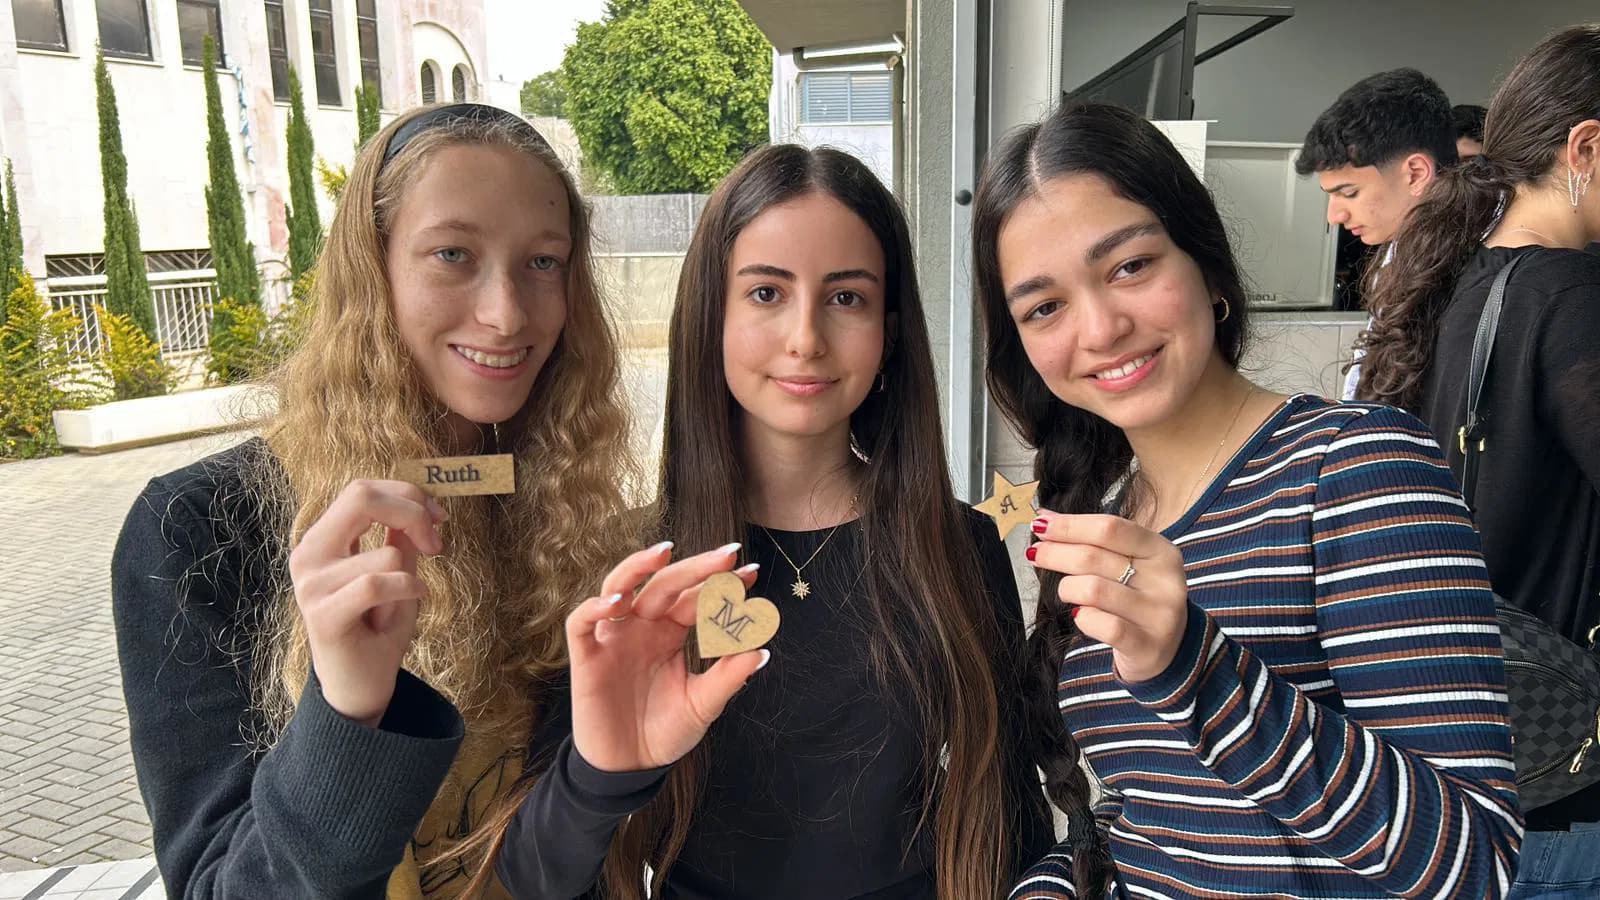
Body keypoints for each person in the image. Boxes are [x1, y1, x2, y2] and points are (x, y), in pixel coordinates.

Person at [973, 101, 1521, 899]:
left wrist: (1198, 671)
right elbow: (1155, 815)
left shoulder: (1357, 468)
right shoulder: (1114, 517)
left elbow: (1476, 863)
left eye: (1129, 265)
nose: (1098, 327)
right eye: (1044, 306)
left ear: (1204, 263)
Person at [489, 144, 1053, 898]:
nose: (805, 338)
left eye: (846, 297)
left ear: (889, 330)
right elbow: (535, 876)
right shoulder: (634, 568)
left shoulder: (958, 545)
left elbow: (1013, 815)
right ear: (710, 315)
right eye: (765, 294)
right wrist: (600, 773)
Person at [111, 104, 633, 899]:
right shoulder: (195, 529)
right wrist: (349, 712)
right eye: (453, 253)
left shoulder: (570, 508)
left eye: (544, 262)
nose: (506, 313)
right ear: (372, 266)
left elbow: (567, 852)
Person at [1360, 26, 1600, 896]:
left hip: (1483, 734)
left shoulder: (1477, 283)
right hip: (1569, 758)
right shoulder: (1570, 297)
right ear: (1587, 148)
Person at [1296, 68, 1457, 398]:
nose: (1335, 215)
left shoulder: (1480, 277)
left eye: (1349, 192)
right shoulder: (1399, 255)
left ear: (1415, 174)